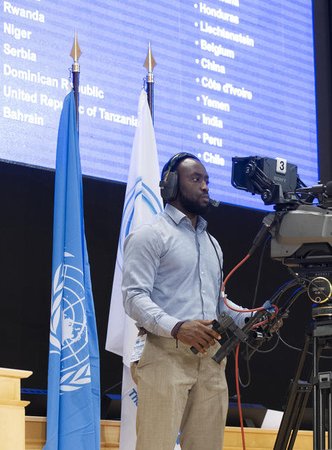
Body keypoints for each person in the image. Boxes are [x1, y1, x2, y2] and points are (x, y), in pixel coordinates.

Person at [121, 152, 254, 450]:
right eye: (196, 179)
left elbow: (221, 304)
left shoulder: (212, 244)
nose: (205, 186)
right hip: (164, 356)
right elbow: (133, 297)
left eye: (207, 180)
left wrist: (254, 317)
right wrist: (178, 327)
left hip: (211, 361)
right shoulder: (150, 235)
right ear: (171, 186)